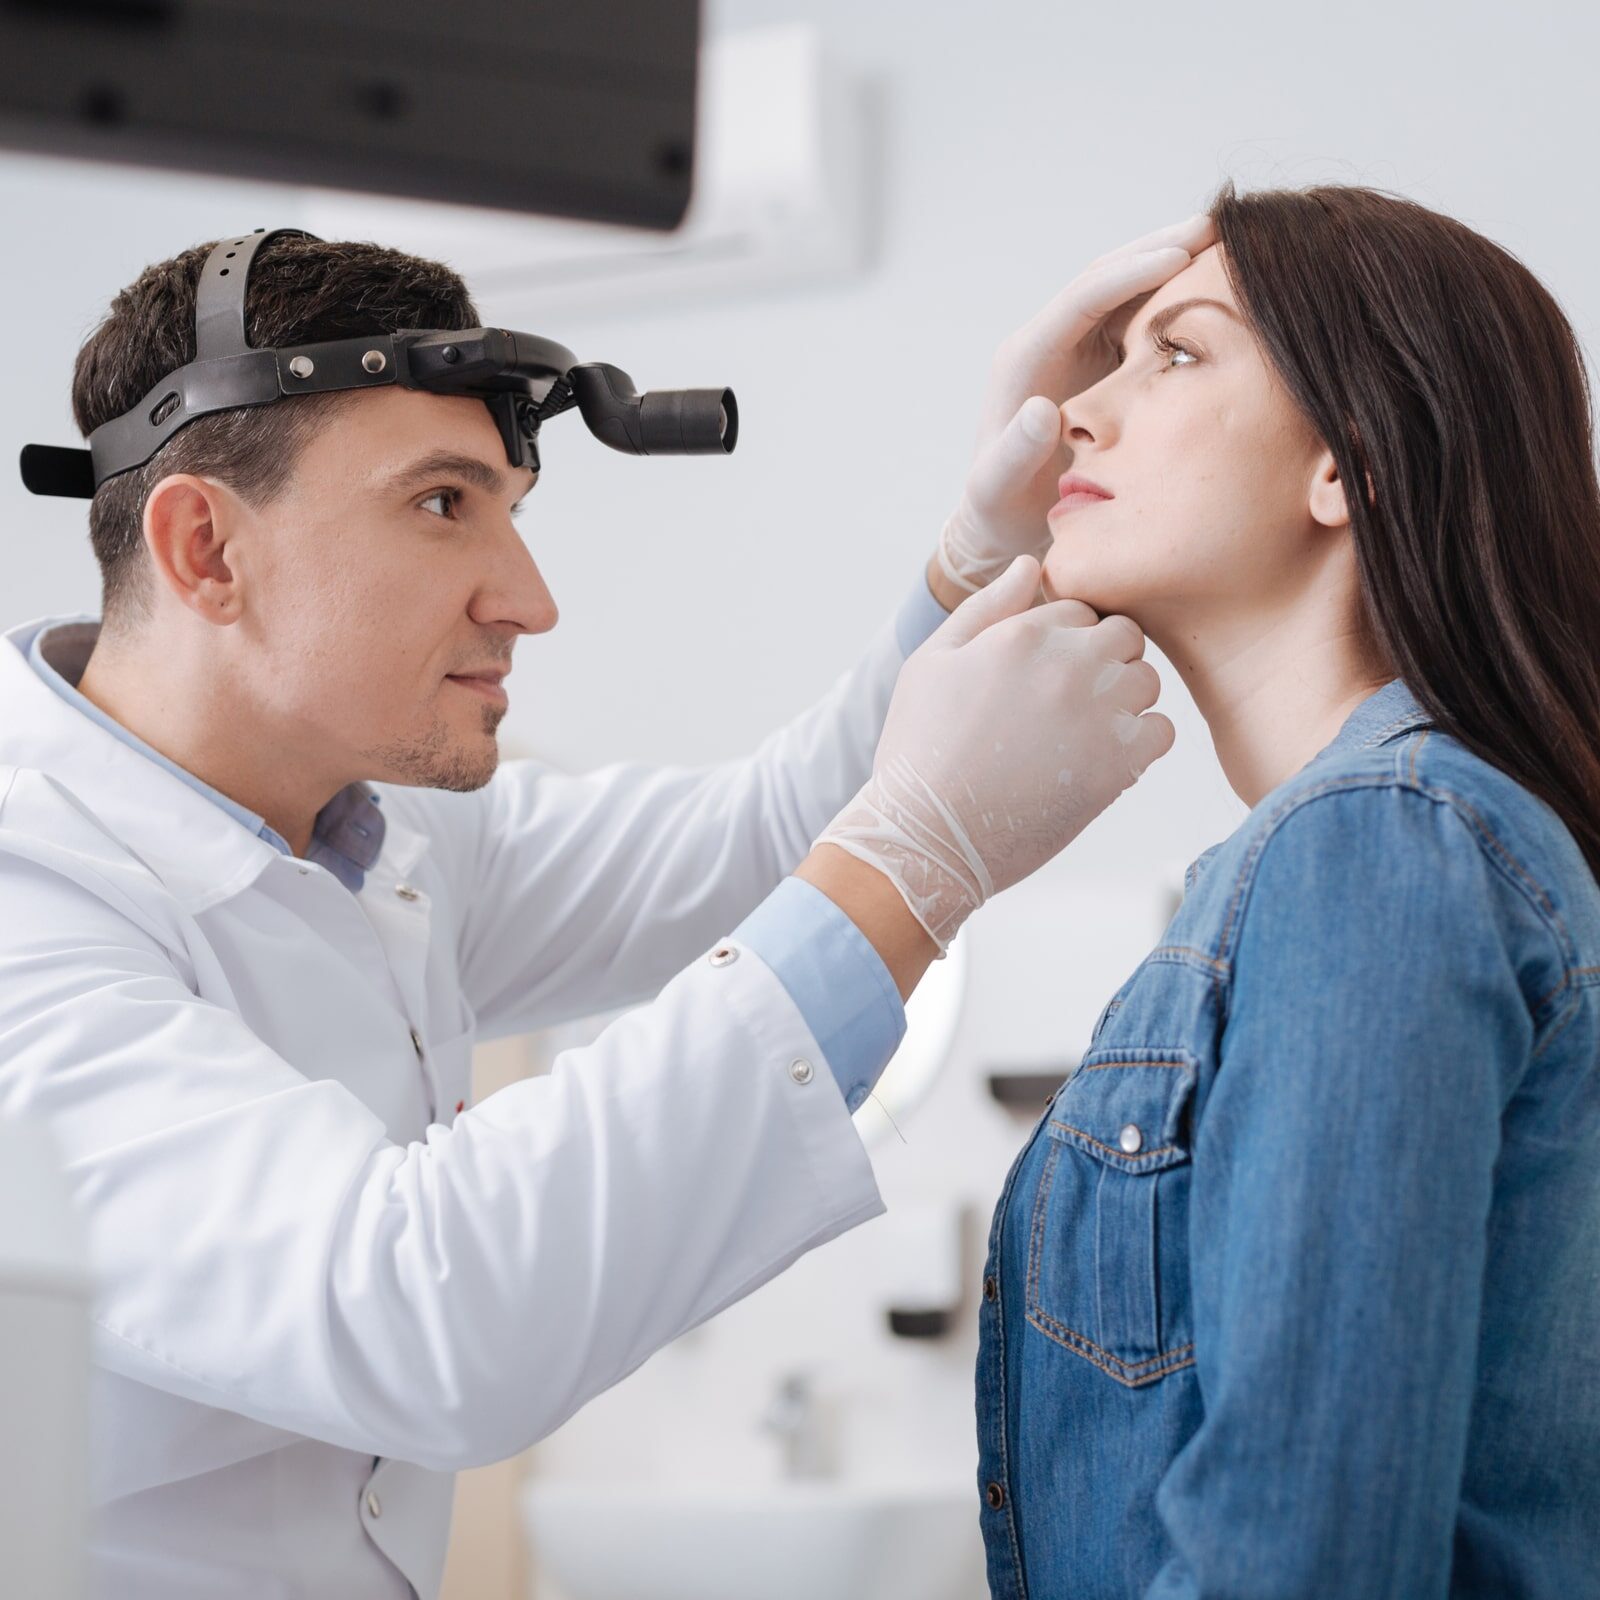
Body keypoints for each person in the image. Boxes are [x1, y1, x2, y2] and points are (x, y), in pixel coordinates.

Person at [0, 217, 1205, 1598]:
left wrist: (978, 565)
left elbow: (754, 840)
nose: (531, 599)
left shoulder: (383, 841)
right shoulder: (31, 894)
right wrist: (916, 858)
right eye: (444, 503)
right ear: (205, 547)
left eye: (514, 510)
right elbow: (416, 1312)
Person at [973, 181, 1600, 1599]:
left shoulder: (1377, 842)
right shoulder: (1356, 850)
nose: (1077, 410)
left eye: (1175, 352)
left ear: (1349, 463)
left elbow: (1306, 1556)